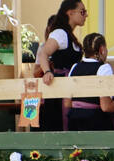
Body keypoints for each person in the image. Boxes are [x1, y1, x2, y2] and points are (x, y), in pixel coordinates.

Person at [37, 0, 88, 132]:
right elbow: (44, 53)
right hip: (60, 90)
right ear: (70, 13)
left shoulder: (68, 34)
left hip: (70, 87)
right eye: (83, 12)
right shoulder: (60, 33)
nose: (86, 15)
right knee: (60, 125)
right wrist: (47, 71)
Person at [66, 33, 114, 131]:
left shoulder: (75, 67)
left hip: (74, 121)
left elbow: (67, 103)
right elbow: (106, 107)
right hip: (94, 122)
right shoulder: (103, 68)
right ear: (102, 49)